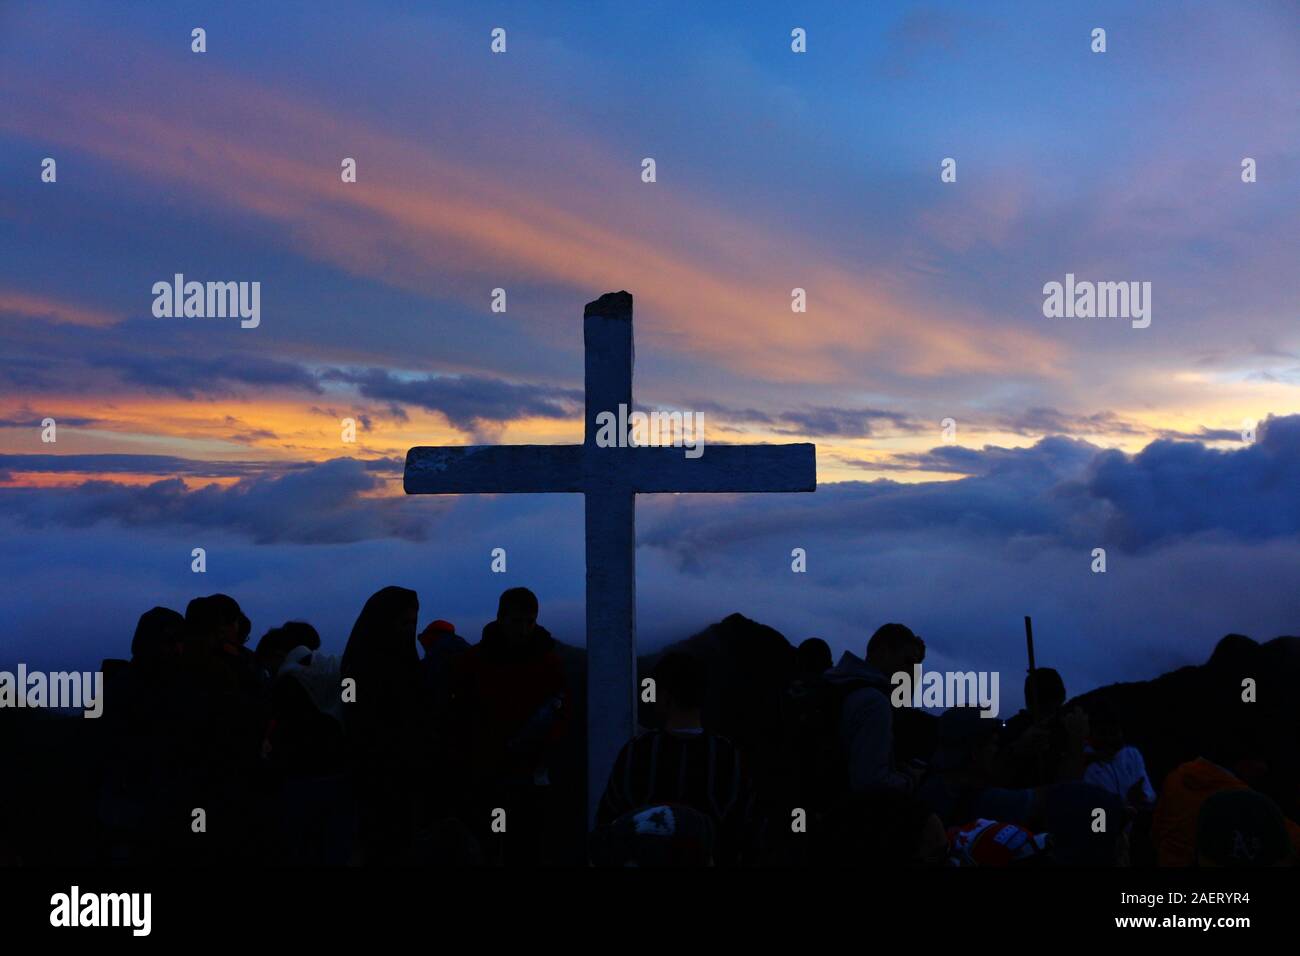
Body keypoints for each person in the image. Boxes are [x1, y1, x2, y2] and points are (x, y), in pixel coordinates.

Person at [596, 652, 755, 864]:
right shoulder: (727, 756)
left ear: (665, 697)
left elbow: (607, 825)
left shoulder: (638, 753)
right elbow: (748, 830)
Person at [451, 587, 569, 865]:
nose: (525, 629)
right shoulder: (473, 662)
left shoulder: (549, 662)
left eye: (530, 621)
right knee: (487, 845)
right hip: (484, 773)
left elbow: (561, 711)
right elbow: (459, 714)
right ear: (501, 618)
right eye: (518, 621)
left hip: (528, 774)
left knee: (525, 846)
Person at [340, 585, 425, 863]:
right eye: (403, 623)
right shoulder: (361, 665)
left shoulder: (407, 661)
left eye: (413, 623)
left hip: (405, 775)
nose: (409, 630)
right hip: (375, 776)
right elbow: (358, 721)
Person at [823, 623, 926, 794]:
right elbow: (871, 782)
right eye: (908, 662)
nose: (911, 673)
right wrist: (911, 779)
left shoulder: (835, 682)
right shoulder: (875, 703)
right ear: (882, 652)